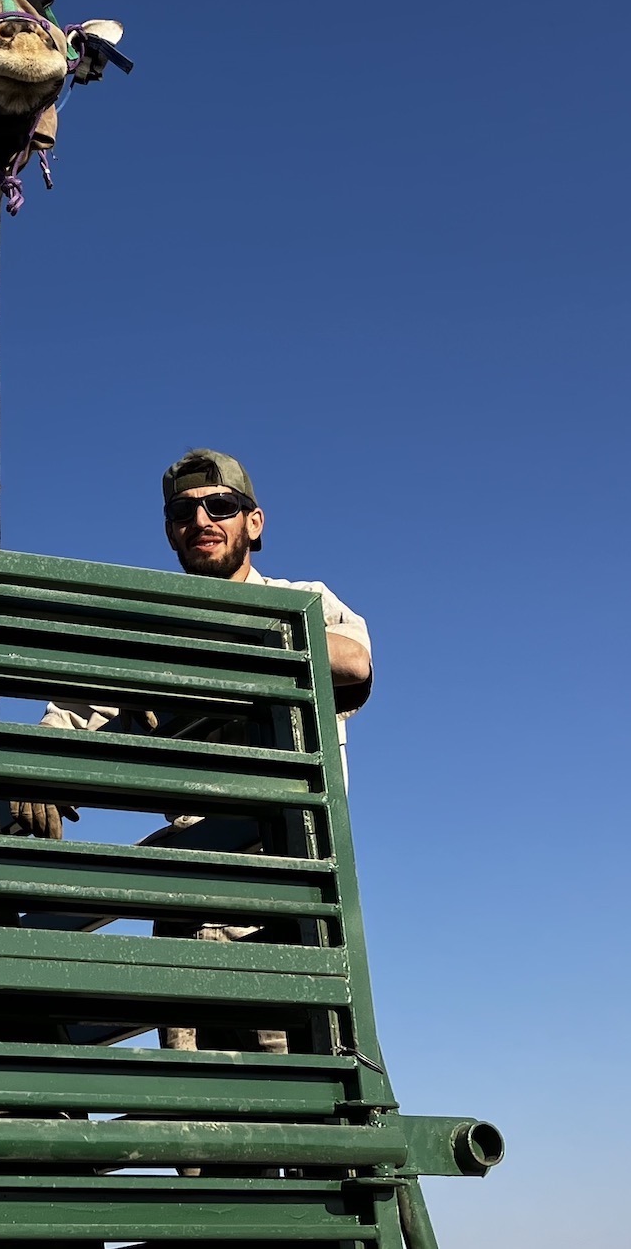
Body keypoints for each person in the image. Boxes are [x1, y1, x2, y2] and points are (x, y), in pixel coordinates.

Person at [41, 448, 372, 1052]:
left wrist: (221, 636)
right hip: (189, 906)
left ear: (254, 521)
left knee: (303, 1109)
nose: (201, 521)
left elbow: (353, 662)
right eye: (182, 513)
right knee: (203, 1126)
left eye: (219, 505)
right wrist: (36, 782)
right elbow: (64, 724)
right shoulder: (151, 632)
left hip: (284, 901)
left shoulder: (301, 602)